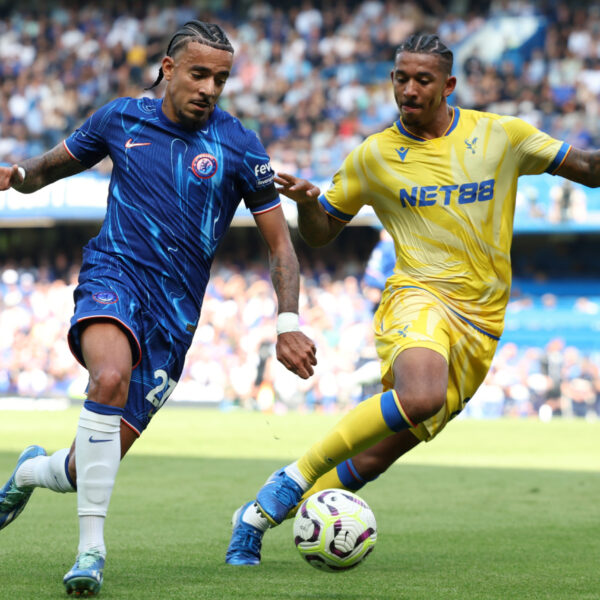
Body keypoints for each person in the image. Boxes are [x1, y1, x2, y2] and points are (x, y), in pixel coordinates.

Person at [225, 32, 600, 566]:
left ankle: (253, 520)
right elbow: (321, 232)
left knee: (378, 455)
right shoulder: (374, 155)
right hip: (416, 296)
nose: (408, 89)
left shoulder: (502, 137)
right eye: (401, 77)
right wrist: (310, 204)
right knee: (420, 397)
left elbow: (587, 169)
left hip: (481, 323)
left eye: (422, 79)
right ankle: (292, 478)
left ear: (448, 85)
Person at [0, 20, 317, 596]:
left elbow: (280, 246)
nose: (210, 88)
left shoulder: (241, 145)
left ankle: (28, 472)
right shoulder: (120, 118)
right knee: (110, 375)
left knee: (81, 468)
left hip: (175, 319)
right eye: (199, 74)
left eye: (221, 78)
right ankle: (90, 552)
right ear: (168, 69)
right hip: (114, 276)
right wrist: (15, 176)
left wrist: (288, 322)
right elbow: (47, 169)